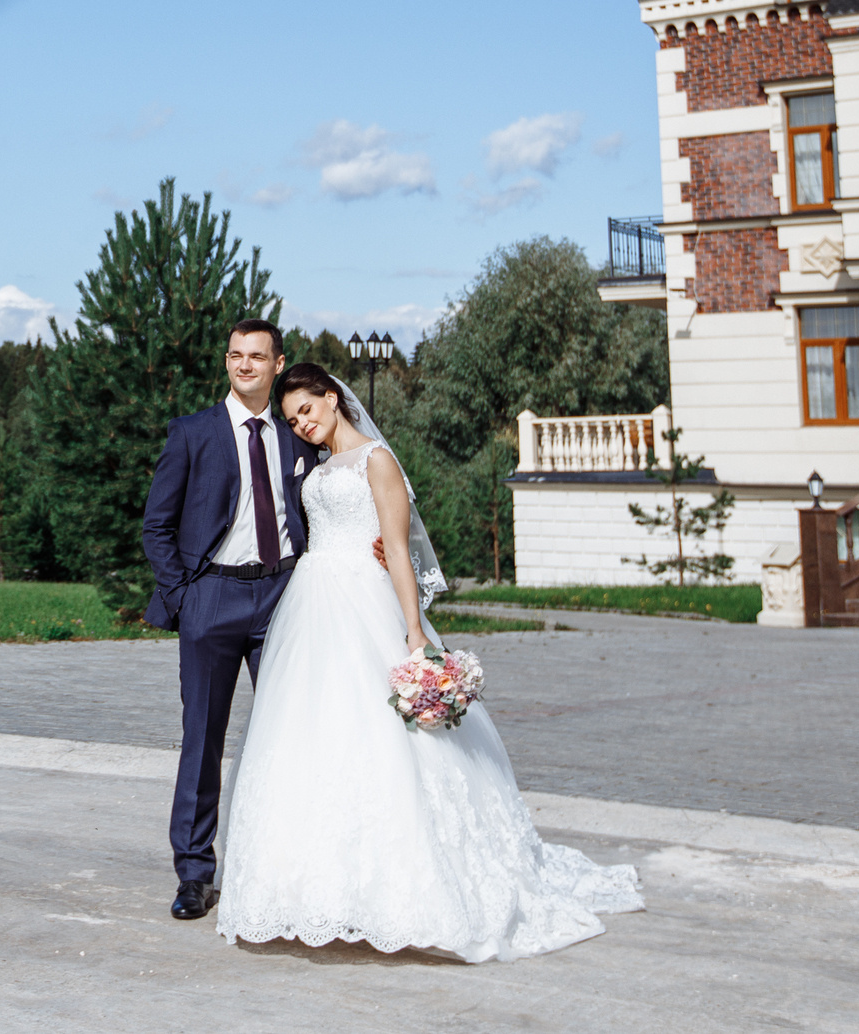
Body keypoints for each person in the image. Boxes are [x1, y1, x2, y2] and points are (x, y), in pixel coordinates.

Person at [211, 361, 643, 960]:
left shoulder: (376, 462)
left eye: (307, 410)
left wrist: (414, 632)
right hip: (313, 607)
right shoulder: (317, 466)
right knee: (313, 737)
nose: (302, 424)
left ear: (333, 397)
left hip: (363, 603)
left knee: (387, 744)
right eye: (291, 420)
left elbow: (396, 552)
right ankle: (309, 892)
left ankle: (400, 893)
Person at [138, 318, 321, 921]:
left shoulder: (299, 437)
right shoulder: (192, 434)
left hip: (283, 598)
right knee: (203, 741)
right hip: (212, 597)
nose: (245, 365)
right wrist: (186, 596)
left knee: (292, 737)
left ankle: (292, 866)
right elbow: (156, 526)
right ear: (226, 363)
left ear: (277, 363)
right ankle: (194, 874)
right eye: (236, 356)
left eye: (257, 356)